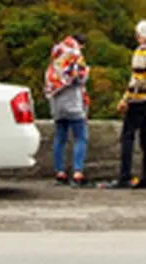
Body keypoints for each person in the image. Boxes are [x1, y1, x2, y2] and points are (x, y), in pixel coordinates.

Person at [102, 19, 146, 190]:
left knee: (128, 136)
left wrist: (126, 98)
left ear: (138, 35)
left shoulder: (141, 53)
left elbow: (137, 78)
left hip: (139, 100)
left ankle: (125, 176)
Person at [44, 34, 90, 186]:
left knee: (60, 138)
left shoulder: (56, 54)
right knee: (80, 137)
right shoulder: (75, 55)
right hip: (73, 102)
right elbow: (80, 77)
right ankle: (77, 172)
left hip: (57, 103)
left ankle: (60, 172)